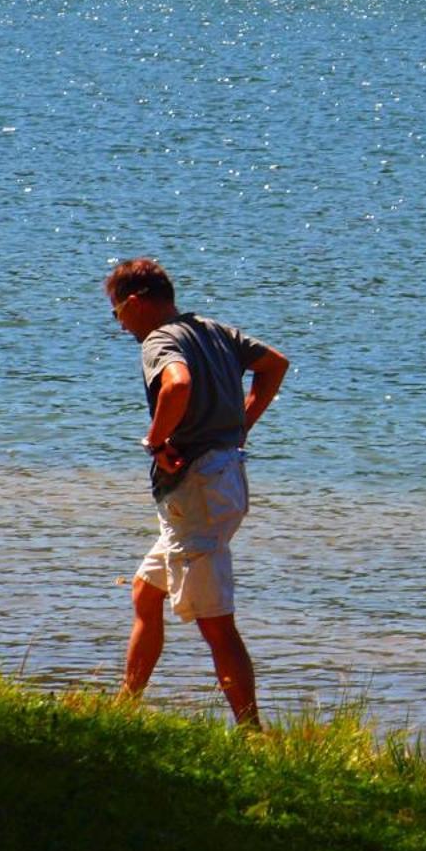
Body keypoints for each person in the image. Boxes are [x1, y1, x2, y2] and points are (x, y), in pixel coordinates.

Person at [105, 257, 289, 727]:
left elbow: (178, 384)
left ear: (134, 302)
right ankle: (125, 708)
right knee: (146, 594)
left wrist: (155, 440)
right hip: (221, 478)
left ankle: (252, 732)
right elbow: (274, 365)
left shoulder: (160, 340)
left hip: (198, 493)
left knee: (216, 623)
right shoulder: (212, 329)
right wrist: (241, 424)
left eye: (117, 313)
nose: (120, 325)